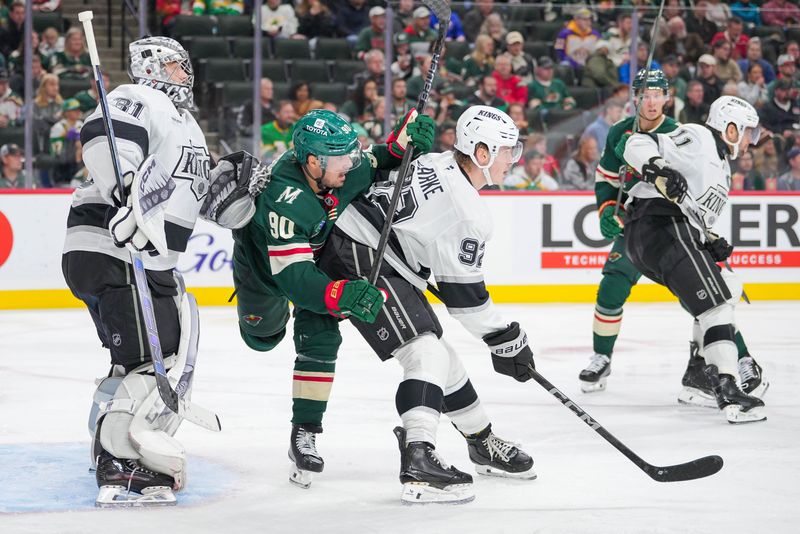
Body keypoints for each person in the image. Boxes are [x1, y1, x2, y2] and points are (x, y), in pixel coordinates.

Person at [202, 108, 436, 490]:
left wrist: (406, 142)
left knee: (322, 336)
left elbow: (379, 158)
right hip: (265, 271)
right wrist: (340, 292)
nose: (349, 163)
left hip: (317, 259)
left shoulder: (334, 169)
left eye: (349, 153)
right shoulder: (285, 197)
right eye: (340, 157)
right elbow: (294, 279)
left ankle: (304, 431)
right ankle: (272, 328)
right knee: (262, 338)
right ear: (312, 161)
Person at [316, 105, 536, 504]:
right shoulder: (467, 213)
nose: (513, 159)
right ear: (482, 154)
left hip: (360, 245)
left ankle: (481, 441)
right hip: (361, 254)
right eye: (508, 150)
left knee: (443, 356)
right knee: (425, 352)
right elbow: (466, 301)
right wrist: (506, 340)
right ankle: (419, 457)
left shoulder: (438, 160)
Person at [61, 36, 212, 506]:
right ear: (153, 68)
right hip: (119, 247)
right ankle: (123, 465)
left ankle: (105, 444)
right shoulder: (140, 96)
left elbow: (201, 197)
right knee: (155, 361)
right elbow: (104, 140)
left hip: (140, 254)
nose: (185, 74)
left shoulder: (187, 125)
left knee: (135, 362)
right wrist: (124, 192)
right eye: (175, 66)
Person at [582, 69, 767, 407]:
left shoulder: (686, 136)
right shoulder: (628, 132)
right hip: (647, 222)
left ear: (667, 97)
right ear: (636, 97)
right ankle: (602, 357)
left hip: (675, 230)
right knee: (614, 283)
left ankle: (725, 363)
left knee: (712, 293)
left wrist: (709, 238)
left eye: (657, 94)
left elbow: (692, 203)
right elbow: (607, 176)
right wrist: (607, 208)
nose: (651, 101)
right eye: (645, 94)